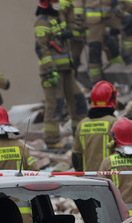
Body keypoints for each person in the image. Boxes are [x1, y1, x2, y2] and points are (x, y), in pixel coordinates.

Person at [35, 0, 87, 149]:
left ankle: (80, 136)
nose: (59, 4)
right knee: (55, 105)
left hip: (66, 69)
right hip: (52, 72)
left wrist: (65, 35)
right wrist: (50, 69)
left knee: (78, 100)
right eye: (55, 1)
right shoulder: (42, 22)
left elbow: (69, 17)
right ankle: (52, 141)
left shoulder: (56, 18)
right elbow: (41, 48)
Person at [72, 80, 119, 172]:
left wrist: (81, 176)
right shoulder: (114, 123)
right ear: (112, 99)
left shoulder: (82, 124)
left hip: (89, 179)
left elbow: (76, 157)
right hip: (109, 179)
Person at [75, 0, 125, 83]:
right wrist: (78, 18)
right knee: (95, 47)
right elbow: (78, 4)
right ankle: (95, 80)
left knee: (110, 44)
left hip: (107, 18)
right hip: (91, 22)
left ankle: (119, 68)